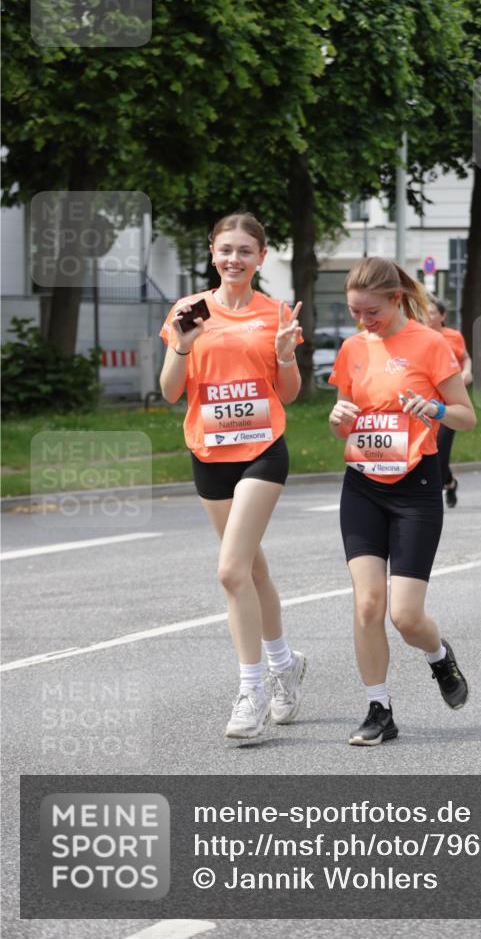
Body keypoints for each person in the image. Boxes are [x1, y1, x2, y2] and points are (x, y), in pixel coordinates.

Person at [159, 212, 306, 742]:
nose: (234, 259)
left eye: (246, 251)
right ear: (211, 252)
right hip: (209, 451)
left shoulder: (276, 314)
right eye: (226, 250)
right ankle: (285, 664)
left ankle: (251, 690)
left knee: (229, 572)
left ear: (262, 257)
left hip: (262, 451)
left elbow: (288, 393)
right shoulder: (188, 310)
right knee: (252, 570)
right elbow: (171, 391)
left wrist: (286, 356)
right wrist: (181, 344)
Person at [328, 257, 477, 745]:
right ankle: (379, 708)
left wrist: (434, 407)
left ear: (395, 299)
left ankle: (439, 657)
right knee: (368, 605)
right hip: (362, 486)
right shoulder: (352, 348)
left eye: (370, 311)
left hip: (415, 487)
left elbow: (465, 417)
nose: (362, 321)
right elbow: (343, 421)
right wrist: (339, 418)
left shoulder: (429, 343)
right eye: (354, 311)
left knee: (405, 617)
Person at [426, 297, 473, 507]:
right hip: (426, 402)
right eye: (425, 312)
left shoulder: (453, 336)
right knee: (431, 449)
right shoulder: (420, 337)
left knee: (441, 450)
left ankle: (431, 499)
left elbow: (465, 358)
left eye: (433, 312)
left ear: (443, 316)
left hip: (450, 403)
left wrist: (467, 372)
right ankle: (450, 483)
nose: (428, 316)